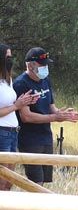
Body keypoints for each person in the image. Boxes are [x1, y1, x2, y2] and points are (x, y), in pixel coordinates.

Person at [13, 47, 78, 185]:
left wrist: (63, 114)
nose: (45, 67)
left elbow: (51, 108)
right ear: (30, 65)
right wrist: (54, 118)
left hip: (46, 136)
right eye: (42, 64)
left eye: (46, 64)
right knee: (35, 182)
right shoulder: (21, 83)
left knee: (44, 180)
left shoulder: (46, 81)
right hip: (29, 139)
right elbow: (26, 116)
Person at [0, 44, 40, 190]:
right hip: (1, 132)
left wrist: (25, 101)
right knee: (2, 178)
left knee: (10, 179)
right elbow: (11, 106)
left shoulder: (7, 79)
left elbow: (12, 103)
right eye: (7, 57)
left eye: (10, 56)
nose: (10, 60)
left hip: (12, 132)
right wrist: (17, 105)